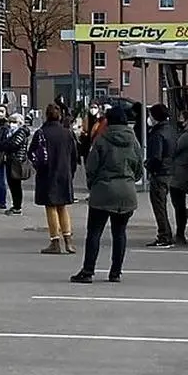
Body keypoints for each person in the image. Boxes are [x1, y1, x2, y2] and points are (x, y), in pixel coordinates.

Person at [70, 106, 144, 283]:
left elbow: (91, 166)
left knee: (94, 233)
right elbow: (139, 169)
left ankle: (88, 271)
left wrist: (93, 185)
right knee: (120, 233)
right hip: (126, 192)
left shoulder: (102, 140)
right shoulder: (133, 141)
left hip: (103, 190)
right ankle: (116, 272)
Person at [32, 103, 79, 254]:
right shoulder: (68, 133)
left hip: (47, 174)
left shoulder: (41, 133)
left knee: (51, 207)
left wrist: (38, 167)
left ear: (46, 115)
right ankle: (68, 240)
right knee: (63, 207)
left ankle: (55, 241)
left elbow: (32, 153)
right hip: (64, 174)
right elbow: (74, 156)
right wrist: (70, 172)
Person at [144, 104, 177, 249]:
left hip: (160, 173)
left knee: (159, 206)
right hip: (169, 171)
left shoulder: (157, 134)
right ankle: (166, 234)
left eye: (151, 115)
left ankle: (164, 235)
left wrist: (148, 166)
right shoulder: (170, 130)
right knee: (162, 205)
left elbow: (156, 156)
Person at [168, 110, 188, 245]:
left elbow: (174, 150)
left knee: (178, 205)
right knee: (179, 205)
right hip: (184, 172)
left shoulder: (187, 136)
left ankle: (180, 233)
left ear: (187, 121)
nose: (180, 120)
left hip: (179, 173)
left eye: (182, 118)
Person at [1, 112, 31, 215]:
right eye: (10, 121)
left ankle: (17, 206)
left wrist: (6, 144)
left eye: (14, 122)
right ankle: (15, 205)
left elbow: (13, 145)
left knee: (15, 184)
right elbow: (3, 144)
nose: (11, 124)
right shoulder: (9, 132)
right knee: (12, 184)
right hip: (10, 160)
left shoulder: (21, 132)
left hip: (17, 161)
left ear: (20, 123)